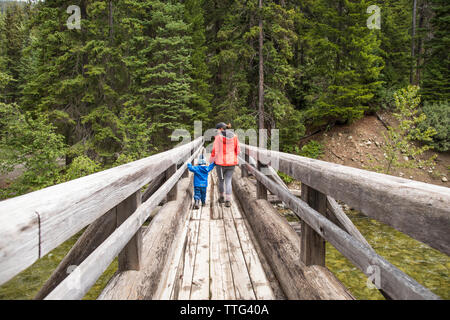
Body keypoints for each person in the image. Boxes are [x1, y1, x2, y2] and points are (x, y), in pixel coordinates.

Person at [209, 122, 240, 207]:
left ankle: (222, 197)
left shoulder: (218, 138)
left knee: (221, 180)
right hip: (231, 163)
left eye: (217, 130)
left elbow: (215, 151)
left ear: (221, 129)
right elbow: (238, 150)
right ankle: (228, 201)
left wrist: (211, 161)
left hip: (220, 163)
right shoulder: (235, 136)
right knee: (228, 181)